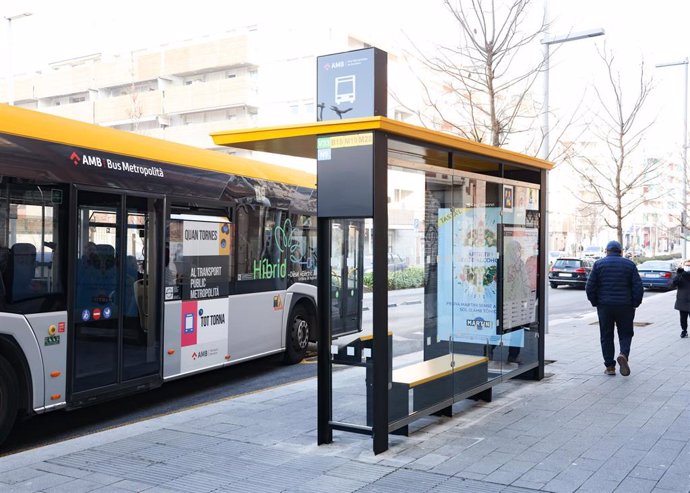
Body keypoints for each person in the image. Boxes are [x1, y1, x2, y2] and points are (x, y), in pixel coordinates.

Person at [585, 240, 643, 376]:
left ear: (607, 251)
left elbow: (590, 287)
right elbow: (638, 287)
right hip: (625, 306)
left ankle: (610, 366)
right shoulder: (630, 265)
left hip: (605, 306)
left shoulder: (598, 265)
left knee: (606, 335)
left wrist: (595, 302)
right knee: (626, 333)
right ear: (620, 251)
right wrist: (635, 303)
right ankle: (623, 354)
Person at [672, 259, 690, 338]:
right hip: (682, 300)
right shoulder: (680, 275)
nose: (688, 267)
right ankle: (684, 330)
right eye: (686, 265)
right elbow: (673, 284)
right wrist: (679, 273)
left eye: (689, 266)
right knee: (683, 318)